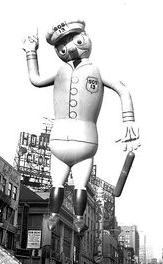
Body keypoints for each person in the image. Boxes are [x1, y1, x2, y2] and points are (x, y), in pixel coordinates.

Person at [22, 20, 140, 232]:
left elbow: (36, 79)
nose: (73, 48)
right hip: (79, 140)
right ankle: (68, 218)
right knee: (70, 184)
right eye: (63, 46)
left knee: (67, 184)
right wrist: (31, 50)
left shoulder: (91, 70)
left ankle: (64, 217)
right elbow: (36, 79)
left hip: (66, 139)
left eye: (76, 40)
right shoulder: (65, 71)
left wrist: (129, 120)